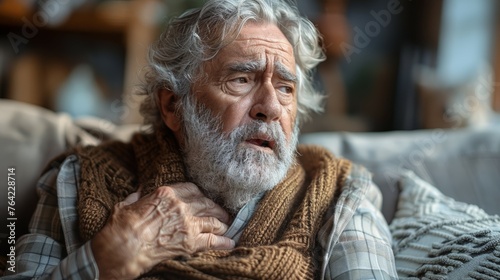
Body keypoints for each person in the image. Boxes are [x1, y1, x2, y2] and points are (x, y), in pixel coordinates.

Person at [4, 0, 397, 279]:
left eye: (286, 88)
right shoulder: (80, 178)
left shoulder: (339, 198)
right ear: (174, 106)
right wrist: (111, 256)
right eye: (241, 79)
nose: (270, 107)